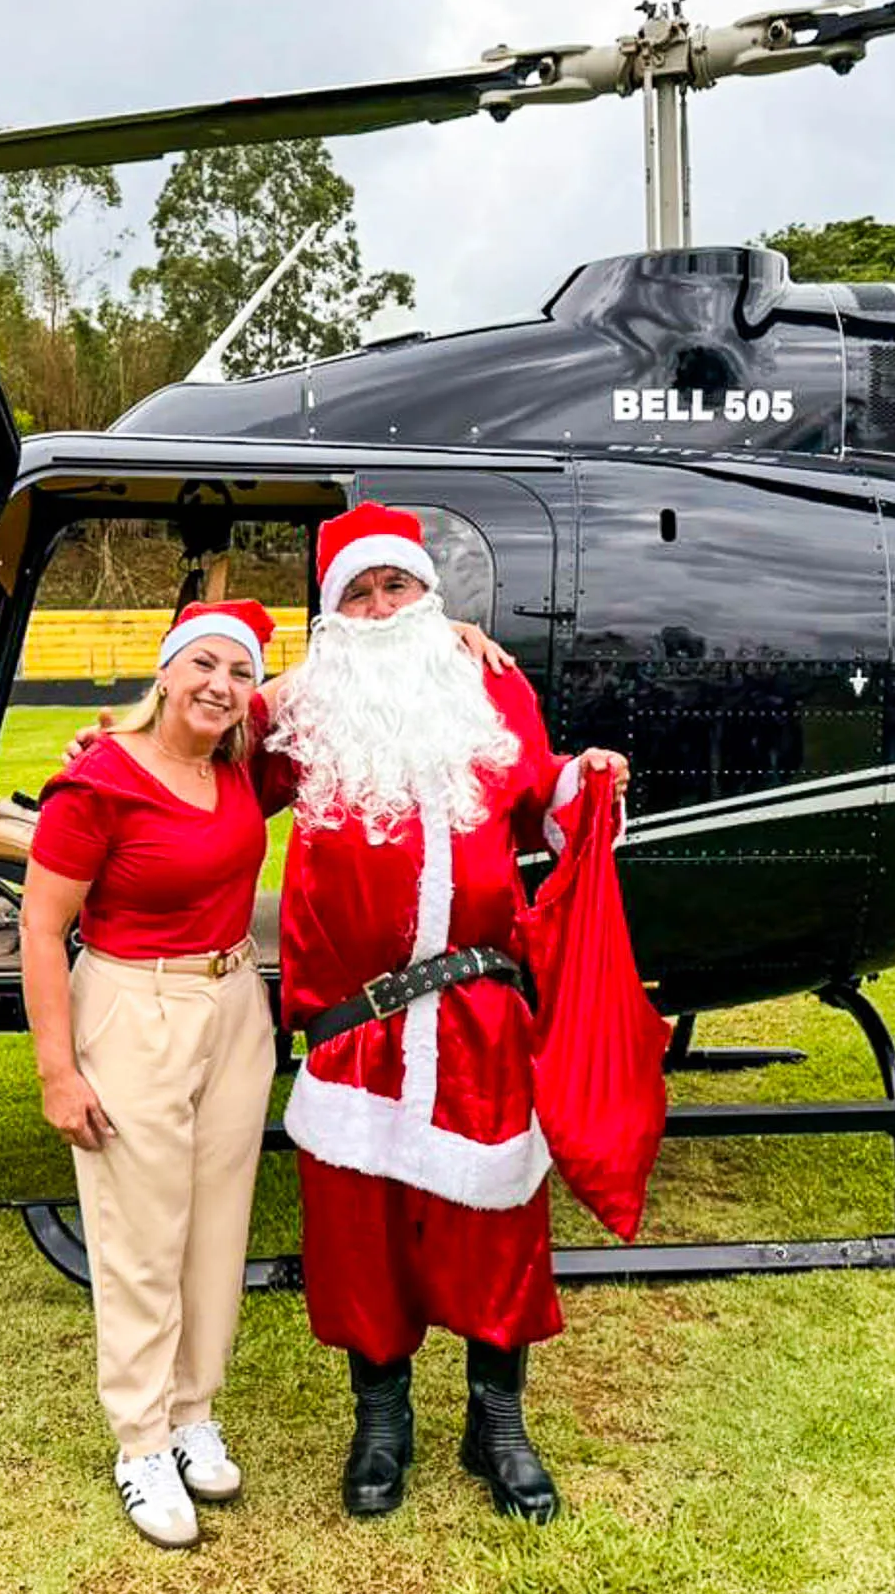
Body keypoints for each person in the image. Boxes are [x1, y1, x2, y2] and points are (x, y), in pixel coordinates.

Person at [261, 503, 628, 1526]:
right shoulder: (302, 707)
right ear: (333, 616)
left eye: (398, 587)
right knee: (361, 1235)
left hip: (476, 1017)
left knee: (493, 1229)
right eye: (359, 594)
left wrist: (583, 781)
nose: (382, 608)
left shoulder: (487, 681)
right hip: (355, 1029)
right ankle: (382, 1422)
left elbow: (538, 793)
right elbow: (204, 761)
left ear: (430, 594)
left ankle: (496, 1421)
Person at [21, 599, 285, 1550]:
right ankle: (139, 1439)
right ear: (164, 673)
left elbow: (339, 674)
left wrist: (447, 627)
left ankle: (190, 1411)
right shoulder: (99, 781)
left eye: (242, 673)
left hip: (232, 1005)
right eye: (203, 665)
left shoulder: (237, 765)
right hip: (135, 1004)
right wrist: (59, 1071)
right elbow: (42, 929)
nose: (222, 685)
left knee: (217, 1218)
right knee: (141, 1231)